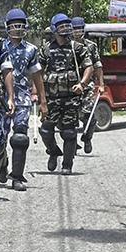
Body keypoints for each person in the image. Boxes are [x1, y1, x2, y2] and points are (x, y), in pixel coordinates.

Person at [0, 8, 47, 194]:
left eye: (21, 26)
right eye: (14, 26)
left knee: (20, 137)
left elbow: (37, 76)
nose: (18, 30)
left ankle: (17, 176)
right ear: (7, 27)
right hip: (0, 99)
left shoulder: (31, 50)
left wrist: (43, 101)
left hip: (22, 98)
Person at [40, 13, 94, 174]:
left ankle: (67, 165)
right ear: (54, 29)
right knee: (45, 130)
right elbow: (37, 71)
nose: (65, 28)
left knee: (69, 132)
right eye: (61, 25)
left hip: (71, 98)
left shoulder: (77, 48)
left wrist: (82, 84)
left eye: (67, 25)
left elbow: (89, 66)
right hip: (52, 98)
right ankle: (53, 151)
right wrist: (37, 93)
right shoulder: (46, 49)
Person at [71, 16, 104, 154]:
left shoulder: (91, 46)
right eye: (75, 29)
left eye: (80, 29)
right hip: (70, 84)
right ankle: (71, 143)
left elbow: (97, 65)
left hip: (87, 85)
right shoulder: (68, 46)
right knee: (70, 116)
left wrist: (101, 84)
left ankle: (87, 138)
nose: (77, 32)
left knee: (88, 114)